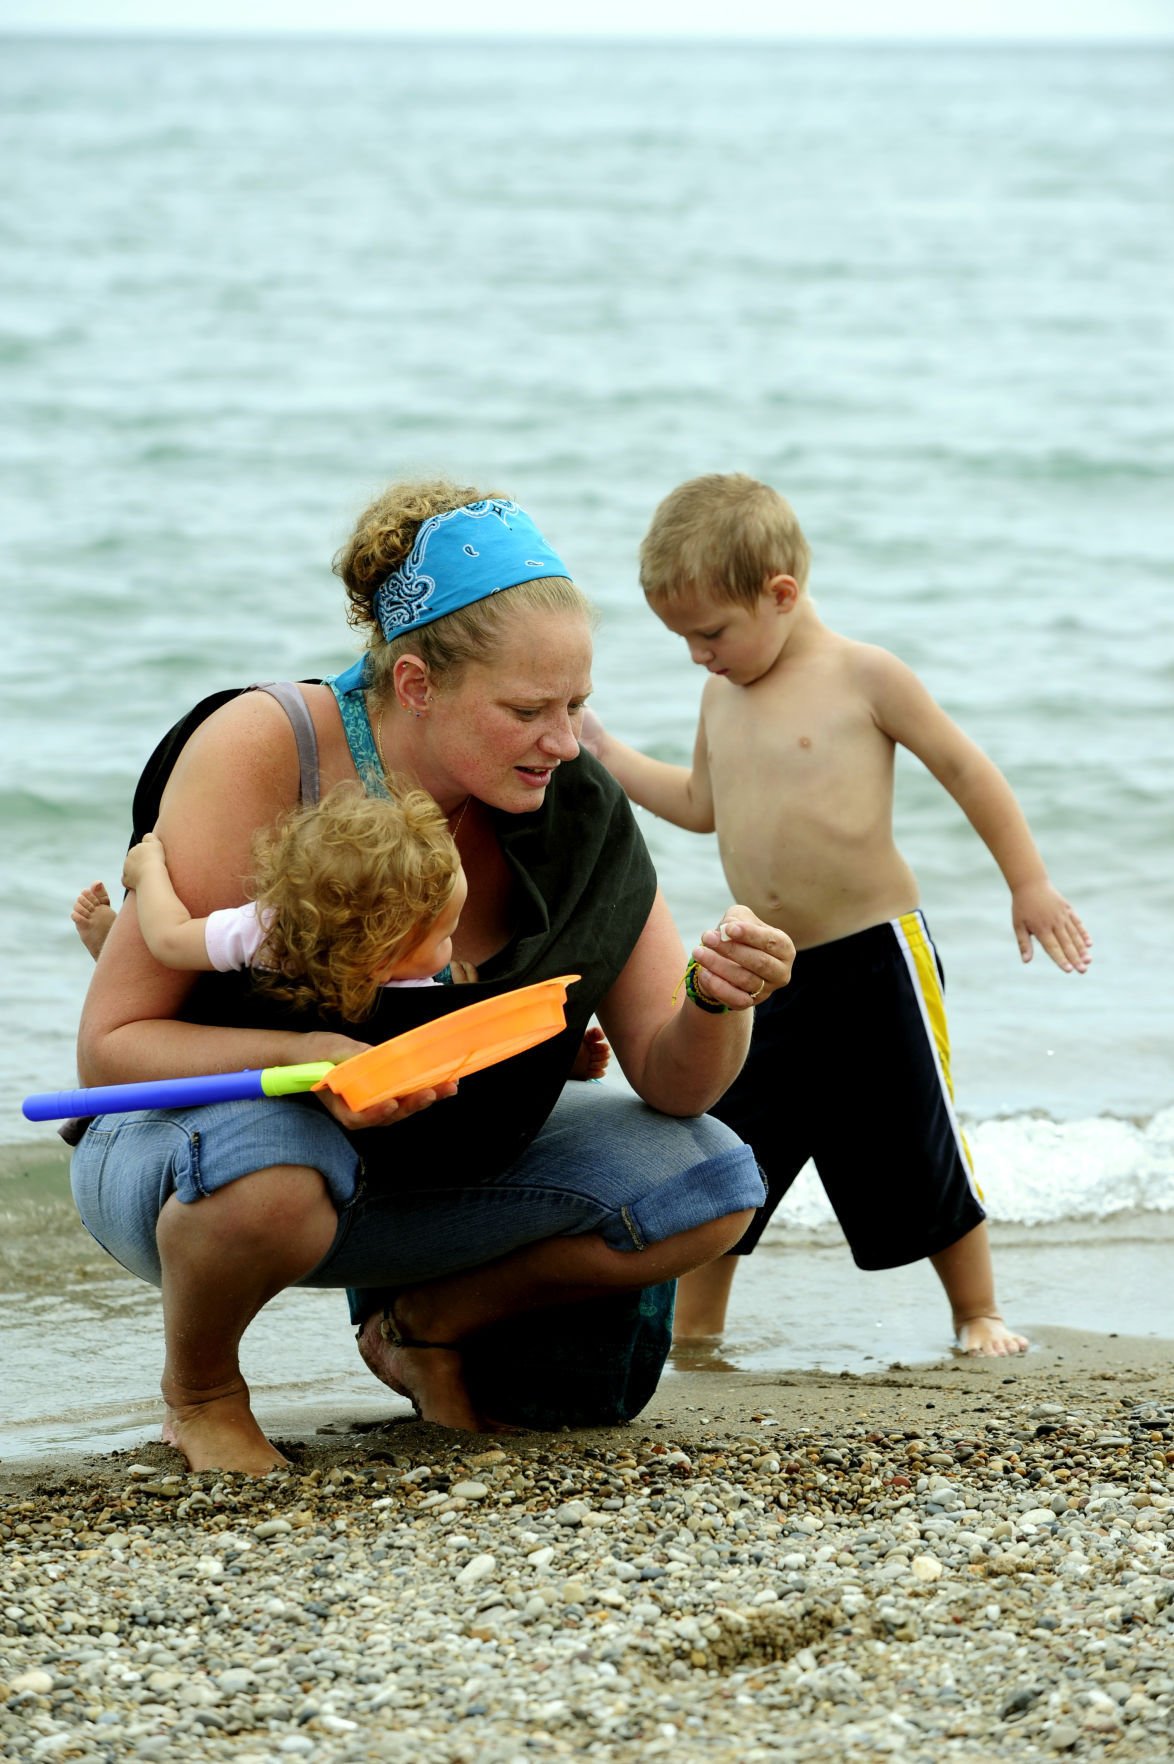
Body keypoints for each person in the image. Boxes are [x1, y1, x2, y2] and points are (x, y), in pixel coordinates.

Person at [68, 482, 793, 1475]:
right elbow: (110, 1053)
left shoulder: (572, 804)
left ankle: (425, 1324)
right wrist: (315, 1057)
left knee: (710, 1178)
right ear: (415, 685)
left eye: (577, 706)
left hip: (432, 1174)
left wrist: (719, 997)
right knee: (271, 1172)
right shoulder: (264, 749)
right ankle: (201, 1392)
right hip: (198, 1163)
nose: (564, 741)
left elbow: (676, 1083)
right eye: (527, 710)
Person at [583, 472, 1092, 1358]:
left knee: (912, 1130)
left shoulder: (865, 675)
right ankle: (696, 1330)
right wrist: (608, 752)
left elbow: (965, 770)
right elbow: (701, 802)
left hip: (874, 955)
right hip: (761, 967)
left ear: (780, 594)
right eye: (684, 639)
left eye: (710, 633)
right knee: (733, 1143)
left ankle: (977, 1310)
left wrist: (1029, 881)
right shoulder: (721, 695)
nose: (699, 656)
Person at [72, 794, 611, 1077]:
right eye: (445, 935)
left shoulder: (274, 930)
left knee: (202, 961)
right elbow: (168, 942)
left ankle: (112, 943)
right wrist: (147, 873)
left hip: (289, 1011)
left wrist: (553, 1059)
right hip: (236, 1024)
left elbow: (171, 935)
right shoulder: (271, 931)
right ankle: (113, 945)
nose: (454, 944)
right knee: (197, 991)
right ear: (380, 961)